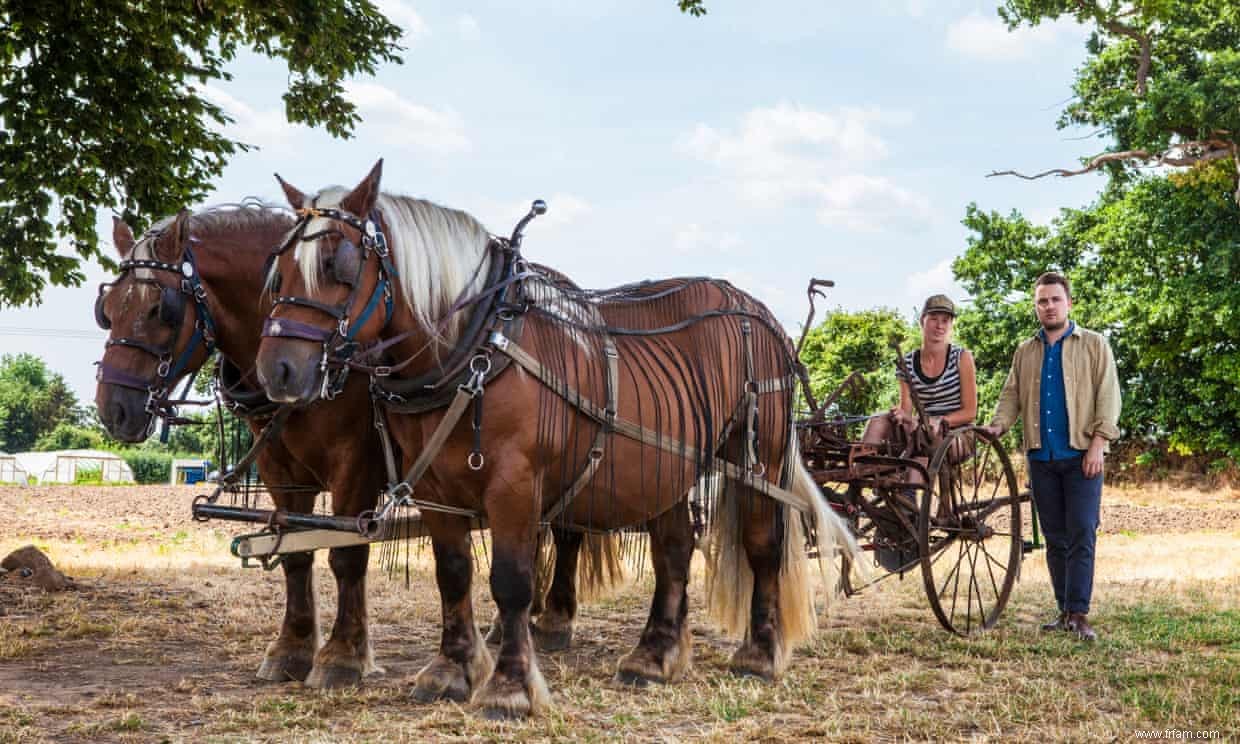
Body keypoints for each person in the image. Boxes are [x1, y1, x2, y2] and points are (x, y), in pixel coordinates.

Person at [983, 272, 1121, 642]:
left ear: (1068, 303)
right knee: (1055, 537)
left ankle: (1079, 612)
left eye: (1054, 300)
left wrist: (1098, 444)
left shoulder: (1093, 345)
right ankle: (1063, 611)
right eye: (1042, 301)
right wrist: (998, 426)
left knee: (1081, 533)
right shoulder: (1026, 351)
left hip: (1081, 457)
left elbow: (1108, 398)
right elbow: (1011, 395)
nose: (1048, 306)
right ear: (1036, 307)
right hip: (1041, 457)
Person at [857, 294, 976, 570]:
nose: (939, 325)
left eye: (945, 320)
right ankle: (867, 486)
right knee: (879, 421)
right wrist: (901, 415)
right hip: (920, 431)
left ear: (950, 325)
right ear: (922, 321)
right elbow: (907, 409)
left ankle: (908, 503)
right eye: (933, 319)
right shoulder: (908, 363)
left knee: (927, 446)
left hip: (957, 433)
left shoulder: (961, 358)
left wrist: (939, 419)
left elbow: (970, 411)